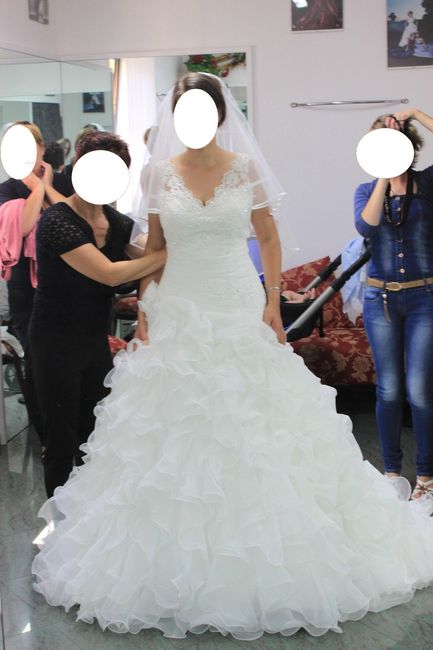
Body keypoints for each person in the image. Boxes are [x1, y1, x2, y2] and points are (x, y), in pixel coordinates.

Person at [32, 75, 433, 640]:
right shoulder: (156, 173)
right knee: (172, 425)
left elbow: (267, 237)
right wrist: (146, 307)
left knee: (256, 418)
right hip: (179, 305)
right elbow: (156, 247)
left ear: (220, 115)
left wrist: (272, 300)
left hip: (237, 300)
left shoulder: (244, 168)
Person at [28, 131, 166, 498]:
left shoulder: (117, 222)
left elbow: (146, 259)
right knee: (61, 437)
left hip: (94, 341)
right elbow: (109, 273)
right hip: (54, 341)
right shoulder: (56, 221)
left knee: (96, 435)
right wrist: (163, 255)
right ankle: (58, 519)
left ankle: (87, 514)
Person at [354, 109, 433, 502]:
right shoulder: (366, 190)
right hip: (380, 299)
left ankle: (426, 478)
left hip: (424, 299)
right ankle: (390, 472)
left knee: (419, 390)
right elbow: (366, 227)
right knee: (388, 390)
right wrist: (384, 175)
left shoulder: (427, 183)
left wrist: (415, 113)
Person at [0, 121, 68, 445]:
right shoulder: (7, 190)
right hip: (25, 291)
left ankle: (70, 431)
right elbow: (23, 226)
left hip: (65, 284)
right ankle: (47, 437)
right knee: (37, 360)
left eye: (29, 145)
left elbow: (76, 222)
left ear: (41, 148)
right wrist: (37, 188)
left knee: (64, 360)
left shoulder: (64, 183)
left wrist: (48, 186)